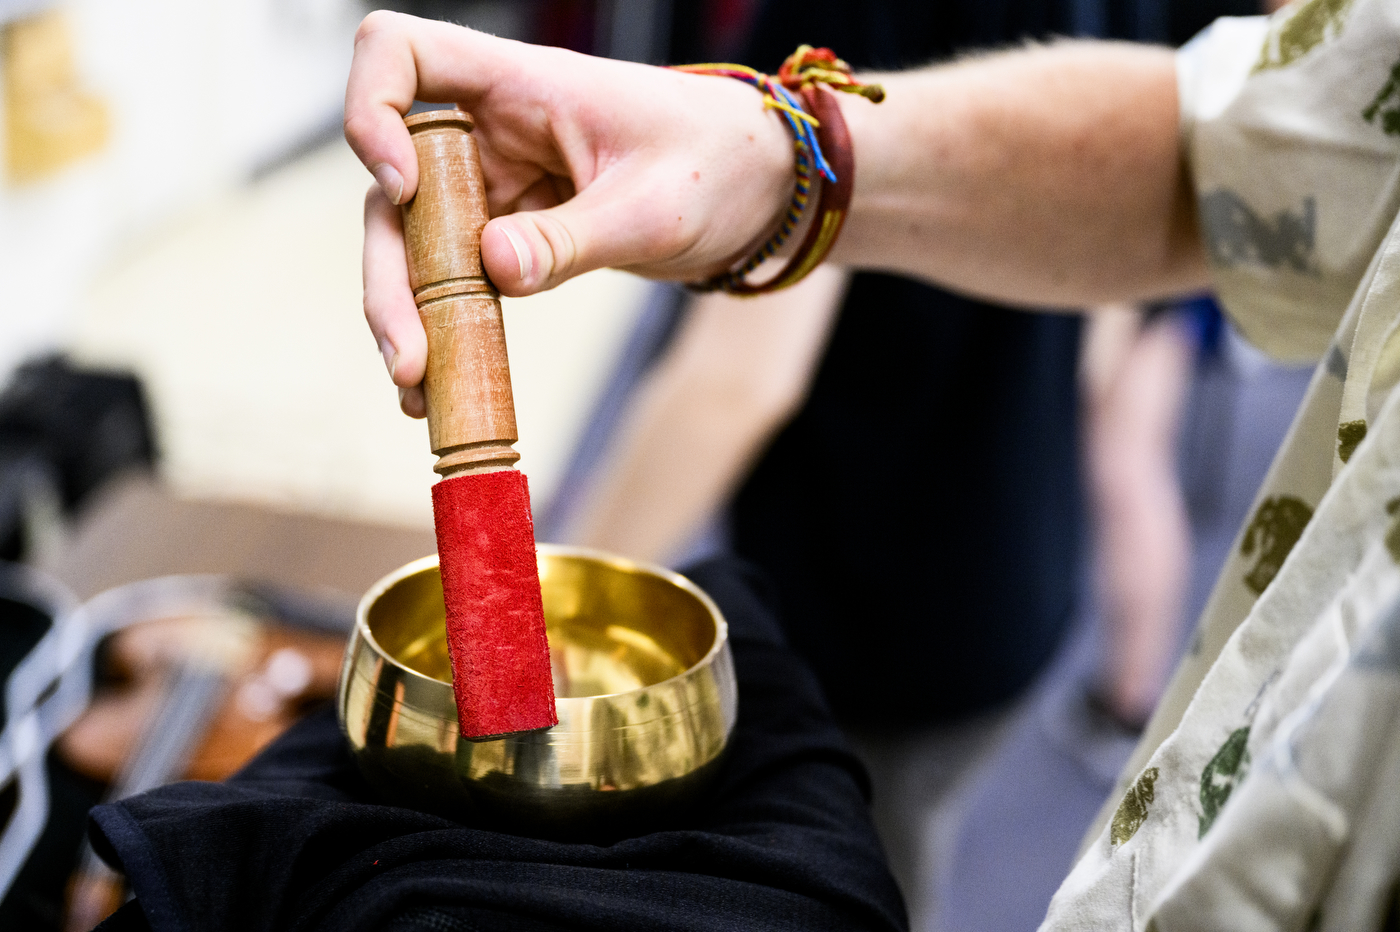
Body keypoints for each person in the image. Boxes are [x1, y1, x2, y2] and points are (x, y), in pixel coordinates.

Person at [347, 2, 1400, 926]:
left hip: (863, 614)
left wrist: (522, 632)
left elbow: (739, 383)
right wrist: (780, 153)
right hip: (1019, 578)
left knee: (848, 878)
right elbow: (1227, 167)